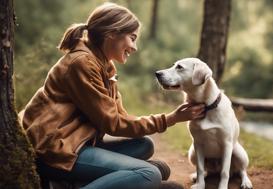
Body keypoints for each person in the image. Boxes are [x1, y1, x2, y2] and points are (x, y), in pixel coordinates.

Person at [20, 2, 205, 189]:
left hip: (76, 142)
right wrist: (171, 118)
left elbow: (121, 117)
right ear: (112, 33)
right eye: (132, 38)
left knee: (146, 147)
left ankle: (75, 183)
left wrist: (169, 118)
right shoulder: (81, 63)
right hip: (55, 151)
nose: (134, 47)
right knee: (150, 173)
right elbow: (113, 124)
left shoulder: (104, 65)